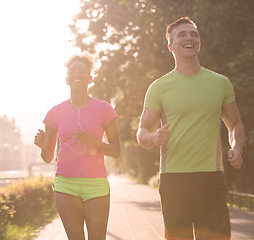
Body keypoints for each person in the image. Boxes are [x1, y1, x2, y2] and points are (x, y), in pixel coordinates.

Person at [136, 17, 245, 240]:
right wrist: (153, 137)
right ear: (171, 46)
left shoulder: (220, 82)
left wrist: (237, 147)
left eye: (193, 34)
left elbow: (235, 124)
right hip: (174, 180)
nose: (189, 38)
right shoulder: (159, 87)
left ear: (199, 43)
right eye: (182, 35)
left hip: (211, 177)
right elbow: (142, 131)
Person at [34, 53, 121, 240]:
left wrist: (94, 142)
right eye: (73, 72)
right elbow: (48, 157)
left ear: (90, 78)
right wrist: (43, 146)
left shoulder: (104, 109)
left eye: (83, 72)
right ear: (67, 79)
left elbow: (116, 151)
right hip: (66, 185)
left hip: (96, 185)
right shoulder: (54, 113)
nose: (78, 75)